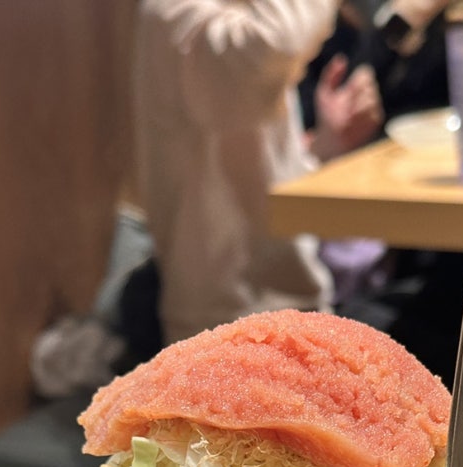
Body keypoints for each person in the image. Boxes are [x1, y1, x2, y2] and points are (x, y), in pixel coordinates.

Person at [131, 1, 383, 346]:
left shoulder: (235, 15)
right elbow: (277, 43)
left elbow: (262, 183)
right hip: (225, 328)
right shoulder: (175, 12)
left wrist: (325, 146)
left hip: (291, 311)